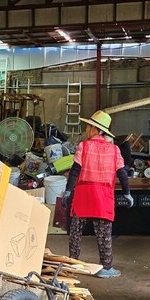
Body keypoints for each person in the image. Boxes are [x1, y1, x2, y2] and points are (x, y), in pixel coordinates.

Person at [63, 110, 132, 279]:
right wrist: (127, 193)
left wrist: (68, 190)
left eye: (89, 126)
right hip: (103, 196)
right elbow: (122, 173)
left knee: (76, 232)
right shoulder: (114, 150)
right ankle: (106, 268)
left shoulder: (83, 146)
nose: (87, 129)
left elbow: (75, 171)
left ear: (96, 129)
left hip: (83, 194)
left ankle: (73, 265)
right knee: (104, 234)